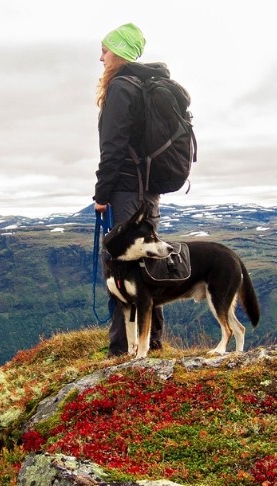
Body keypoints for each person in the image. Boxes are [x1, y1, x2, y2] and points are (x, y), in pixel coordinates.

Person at [93, 23, 168, 356]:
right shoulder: (143, 86)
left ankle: (121, 349)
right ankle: (151, 342)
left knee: (121, 267)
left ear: (119, 52)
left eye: (105, 50)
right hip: (148, 191)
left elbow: (113, 148)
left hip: (125, 191)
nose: (101, 57)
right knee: (146, 263)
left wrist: (101, 194)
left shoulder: (121, 87)